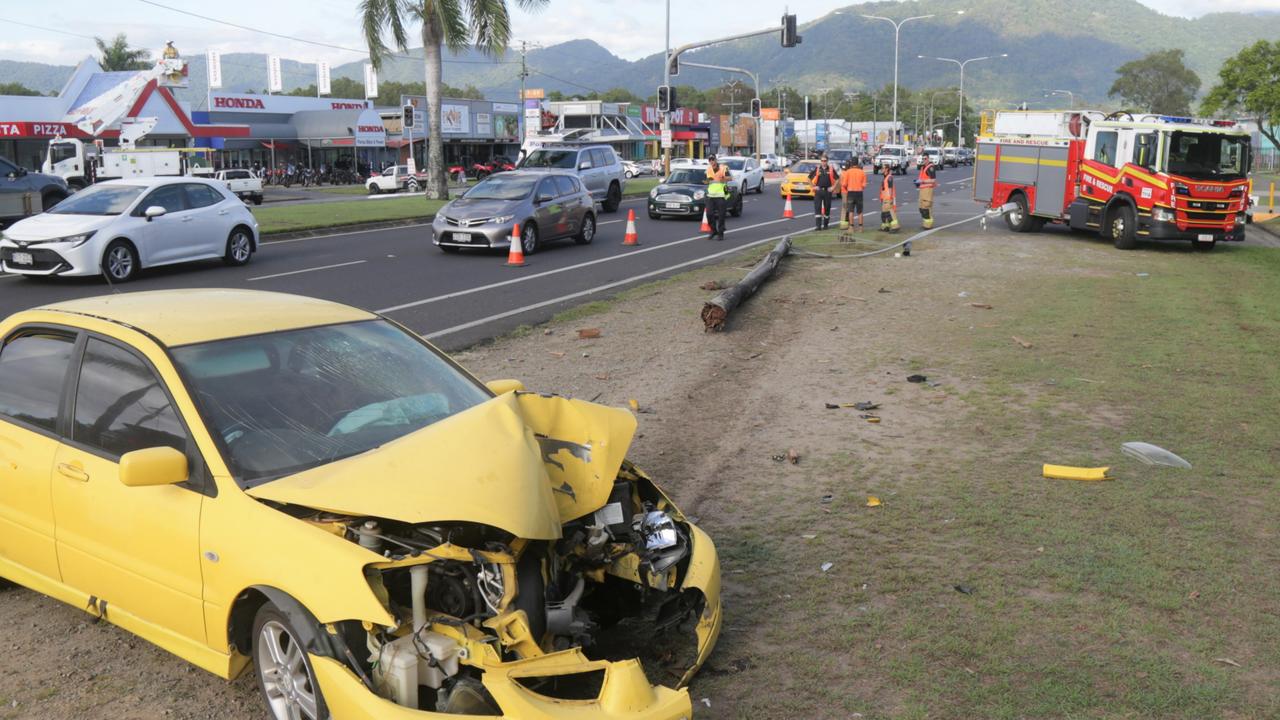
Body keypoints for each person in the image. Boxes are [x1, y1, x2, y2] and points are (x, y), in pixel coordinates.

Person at [809, 155, 840, 230]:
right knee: (817, 208)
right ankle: (818, 226)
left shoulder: (831, 169)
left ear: (827, 161)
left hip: (827, 191)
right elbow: (808, 178)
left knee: (827, 208)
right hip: (819, 191)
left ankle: (826, 225)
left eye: (825, 161)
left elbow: (838, 179)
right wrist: (813, 186)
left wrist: (833, 187)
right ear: (821, 161)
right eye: (822, 161)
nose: (823, 162)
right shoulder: (817, 169)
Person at [704, 155, 730, 240]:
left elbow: (729, 178)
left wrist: (723, 178)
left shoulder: (723, 168)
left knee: (721, 215)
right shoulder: (708, 169)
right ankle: (713, 230)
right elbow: (709, 181)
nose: (711, 161)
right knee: (709, 214)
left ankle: (720, 233)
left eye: (713, 159)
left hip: (721, 195)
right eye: (710, 160)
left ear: (716, 160)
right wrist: (706, 182)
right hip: (711, 195)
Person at [840, 159, 868, 231]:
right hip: (859, 192)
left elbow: (844, 184)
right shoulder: (862, 172)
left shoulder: (848, 172)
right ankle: (861, 227)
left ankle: (851, 227)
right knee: (860, 211)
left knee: (851, 211)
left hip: (850, 192)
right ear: (857, 163)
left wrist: (848, 187)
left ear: (852, 163)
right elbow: (864, 185)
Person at [915, 153, 938, 229]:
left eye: (925, 158)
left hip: (928, 190)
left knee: (926, 208)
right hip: (922, 189)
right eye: (923, 159)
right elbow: (922, 177)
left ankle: (928, 224)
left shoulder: (930, 167)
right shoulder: (923, 167)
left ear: (928, 158)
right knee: (921, 208)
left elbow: (933, 179)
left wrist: (923, 181)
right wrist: (918, 182)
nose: (924, 160)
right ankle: (926, 223)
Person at [878, 160, 900, 234]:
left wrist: (890, 199)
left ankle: (895, 227)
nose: (881, 169)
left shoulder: (889, 177)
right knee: (884, 214)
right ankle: (885, 227)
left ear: (887, 169)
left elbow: (890, 189)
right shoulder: (885, 177)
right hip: (885, 198)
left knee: (889, 213)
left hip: (888, 198)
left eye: (883, 168)